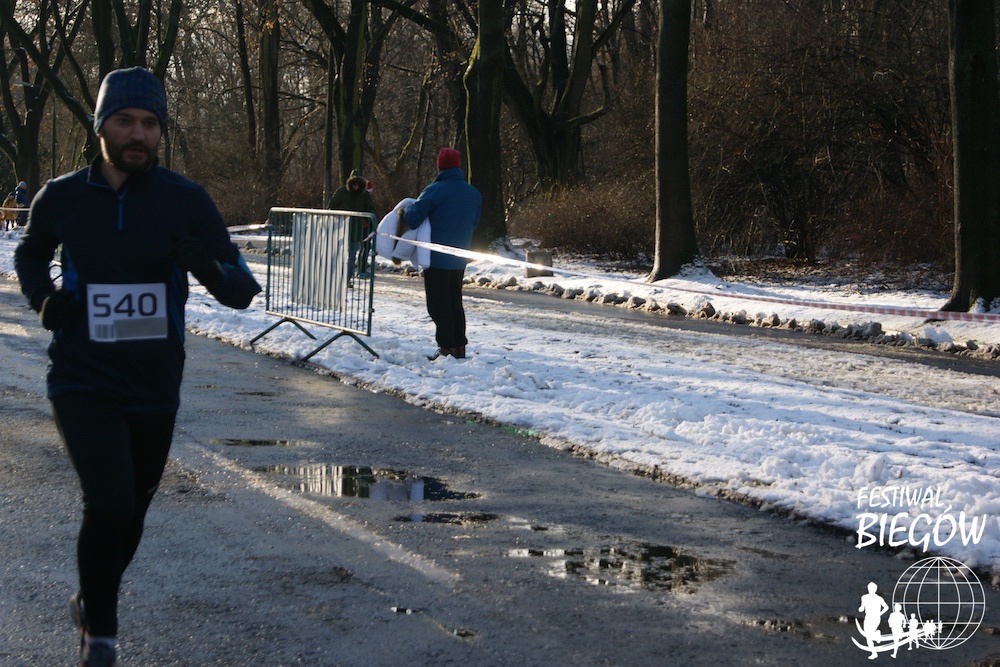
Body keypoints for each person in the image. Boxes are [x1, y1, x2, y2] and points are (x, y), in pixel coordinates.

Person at [14, 67, 261, 667]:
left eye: (150, 124)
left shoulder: (186, 199)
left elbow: (241, 289)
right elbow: (30, 255)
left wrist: (205, 267)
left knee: (130, 516)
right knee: (109, 503)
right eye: (125, 121)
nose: (138, 134)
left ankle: (91, 599)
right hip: (81, 376)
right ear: (101, 126)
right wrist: (45, 299)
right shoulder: (62, 197)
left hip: (154, 383)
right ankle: (101, 636)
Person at [399, 147, 481, 360]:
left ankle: (446, 347)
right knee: (455, 301)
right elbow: (475, 223)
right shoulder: (473, 193)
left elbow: (413, 218)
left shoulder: (434, 190)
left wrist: (405, 209)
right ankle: (460, 346)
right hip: (460, 256)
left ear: (439, 166)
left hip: (435, 256)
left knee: (438, 304)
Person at [328, 168, 376, 281]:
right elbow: (332, 205)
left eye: (358, 185)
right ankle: (335, 278)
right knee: (338, 255)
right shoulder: (342, 191)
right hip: (341, 227)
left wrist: (368, 219)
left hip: (356, 229)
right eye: (354, 184)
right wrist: (336, 217)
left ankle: (347, 278)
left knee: (351, 256)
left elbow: (370, 208)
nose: (356, 187)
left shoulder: (364, 195)